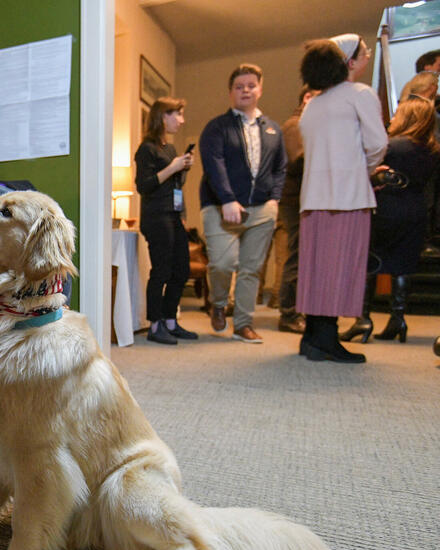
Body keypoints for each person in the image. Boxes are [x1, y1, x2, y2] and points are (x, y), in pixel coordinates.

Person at [296, 35, 388, 363]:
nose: (367, 57)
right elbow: (377, 144)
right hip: (347, 196)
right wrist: (362, 170)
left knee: (316, 268)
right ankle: (325, 339)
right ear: (349, 62)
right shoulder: (359, 95)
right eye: (364, 53)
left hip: (313, 200)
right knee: (342, 267)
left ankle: (312, 337)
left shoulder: (313, 104)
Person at [340, 96, 440, 344]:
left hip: (385, 210)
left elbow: (364, 173)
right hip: (416, 211)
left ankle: (363, 319)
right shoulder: (433, 150)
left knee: (369, 262)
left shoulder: (389, 147)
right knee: (403, 265)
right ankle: (398, 319)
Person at [199, 63, 287, 343]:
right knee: (223, 264)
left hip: (262, 209)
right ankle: (219, 302)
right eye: (239, 86)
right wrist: (227, 199)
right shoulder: (217, 127)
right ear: (231, 92)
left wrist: (274, 199)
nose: (245, 90)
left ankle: (243, 324)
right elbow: (214, 165)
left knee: (251, 269)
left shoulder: (273, 129)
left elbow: (280, 167)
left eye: (251, 85)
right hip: (219, 207)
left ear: (260, 89)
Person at [134, 97, 197, 345]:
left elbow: (174, 186)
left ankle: (171, 321)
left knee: (181, 269)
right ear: (163, 116)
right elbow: (144, 186)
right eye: (177, 115)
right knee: (161, 271)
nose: (181, 120)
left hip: (173, 215)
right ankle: (155, 325)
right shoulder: (146, 149)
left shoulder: (169, 149)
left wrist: (183, 169)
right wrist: (173, 167)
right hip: (156, 217)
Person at [275, 85, 318, 334]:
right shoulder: (294, 125)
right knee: (297, 255)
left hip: (306, 199)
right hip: (294, 201)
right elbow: (301, 160)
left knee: (303, 256)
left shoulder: (308, 125)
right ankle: (289, 313)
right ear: (307, 97)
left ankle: (299, 309)